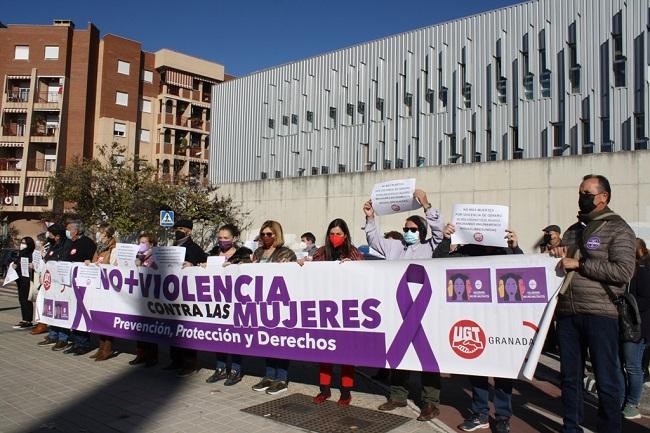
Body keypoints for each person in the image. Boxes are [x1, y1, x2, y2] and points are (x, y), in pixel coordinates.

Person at [551, 174, 636, 433]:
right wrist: (557, 255)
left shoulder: (619, 229)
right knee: (569, 377)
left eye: (587, 193)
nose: (582, 197)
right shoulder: (573, 230)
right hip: (568, 313)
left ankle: (609, 427)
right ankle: (570, 426)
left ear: (603, 197)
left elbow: (623, 271)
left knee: (606, 378)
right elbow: (561, 265)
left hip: (601, 313)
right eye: (580, 192)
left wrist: (581, 264)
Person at [363, 189, 444, 422]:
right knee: (399, 353)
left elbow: (439, 231)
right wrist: (370, 217)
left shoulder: (430, 247)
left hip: (424, 309)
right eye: (406, 229)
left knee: (427, 357)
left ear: (421, 231)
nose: (408, 232)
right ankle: (398, 396)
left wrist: (426, 205)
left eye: (413, 229)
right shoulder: (395, 247)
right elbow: (373, 240)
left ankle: (431, 403)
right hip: (398, 308)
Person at [438, 224, 522, 433]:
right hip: (474, 319)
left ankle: (503, 416)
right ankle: (480, 413)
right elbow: (438, 264)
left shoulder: (507, 251)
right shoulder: (467, 251)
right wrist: (446, 240)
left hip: (502, 322)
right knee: (477, 368)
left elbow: (524, 268)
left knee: (503, 372)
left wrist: (515, 247)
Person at [311, 218, 363, 406]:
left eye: (338, 234)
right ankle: (324, 390)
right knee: (325, 352)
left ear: (345, 235)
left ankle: (346, 392)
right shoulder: (321, 253)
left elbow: (364, 275)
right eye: (331, 234)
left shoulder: (354, 253)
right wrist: (302, 264)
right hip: (325, 309)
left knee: (346, 355)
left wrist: (353, 267)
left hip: (347, 310)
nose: (334, 237)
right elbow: (310, 271)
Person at [250, 220, 297, 395]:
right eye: (263, 234)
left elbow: (293, 276)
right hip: (261, 302)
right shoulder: (258, 252)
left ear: (277, 235)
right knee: (266, 341)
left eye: (269, 234)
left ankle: (282, 378)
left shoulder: (286, 253)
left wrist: (290, 266)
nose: (265, 237)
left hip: (279, 303)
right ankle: (269, 375)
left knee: (281, 342)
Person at [205, 224, 252, 386]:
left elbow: (249, 270)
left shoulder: (243, 254)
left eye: (226, 238)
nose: (222, 241)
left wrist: (234, 266)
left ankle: (236, 369)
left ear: (234, 238)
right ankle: (220, 368)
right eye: (220, 238)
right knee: (219, 335)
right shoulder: (212, 253)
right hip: (216, 301)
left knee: (234, 336)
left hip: (236, 300)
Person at [165, 219, 208, 377]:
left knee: (187, 332)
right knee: (174, 330)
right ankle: (175, 360)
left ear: (189, 231)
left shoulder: (194, 248)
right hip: (173, 294)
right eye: (177, 228)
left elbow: (203, 268)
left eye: (181, 228)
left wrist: (193, 266)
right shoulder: (173, 247)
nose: (178, 231)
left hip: (188, 296)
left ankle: (189, 363)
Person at [621, 238, 650, 419]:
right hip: (623, 325)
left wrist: (625, 303)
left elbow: (646, 300)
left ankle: (632, 404)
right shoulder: (624, 272)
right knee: (624, 366)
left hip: (636, 328)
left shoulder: (641, 273)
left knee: (633, 367)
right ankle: (625, 400)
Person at [61, 219, 97, 356]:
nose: (67, 231)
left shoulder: (86, 243)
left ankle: (83, 343)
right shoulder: (71, 243)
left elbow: (88, 262)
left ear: (76, 230)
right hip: (70, 284)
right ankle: (76, 341)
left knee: (81, 314)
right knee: (72, 314)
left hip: (83, 285)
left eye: (69, 228)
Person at [37, 224, 71, 349]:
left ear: (57, 235)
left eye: (51, 233)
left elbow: (64, 260)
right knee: (50, 309)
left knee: (61, 310)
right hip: (50, 284)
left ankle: (63, 338)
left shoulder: (66, 244)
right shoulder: (52, 244)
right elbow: (47, 259)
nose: (48, 235)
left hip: (61, 283)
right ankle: (52, 335)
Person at [129, 233, 159, 367]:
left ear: (151, 244)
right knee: (139, 328)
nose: (141, 245)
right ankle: (140, 354)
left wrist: (145, 261)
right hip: (139, 296)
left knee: (150, 329)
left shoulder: (156, 255)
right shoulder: (137, 255)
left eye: (144, 242)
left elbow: (158, 270)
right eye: (140, 242)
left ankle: (152, 356)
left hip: (152, 296)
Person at [89, 223, 118, 361]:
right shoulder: (99, 247)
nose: (98, 234)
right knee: (100, 318)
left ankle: (107, 348)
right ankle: (101, 347)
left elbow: (113, 266)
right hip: (98, 286)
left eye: (100, 232)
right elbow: (96, 261)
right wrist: (90, 263)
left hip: (109, 287)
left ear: (106, 233)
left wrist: (101, 266)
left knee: (108, 318)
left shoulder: (114, 248)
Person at [11, 237, 35, 329]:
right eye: (22, 242)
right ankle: (24, 319)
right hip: (20, 279)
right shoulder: (21, 253)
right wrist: (14, 265)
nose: (22, 244)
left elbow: (35, 265)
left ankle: (28, 320)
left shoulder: (32, 254)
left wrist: (32, 266)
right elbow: (17, 263)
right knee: (22, 299)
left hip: (27, 280)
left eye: (24, 243)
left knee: (26, 300)